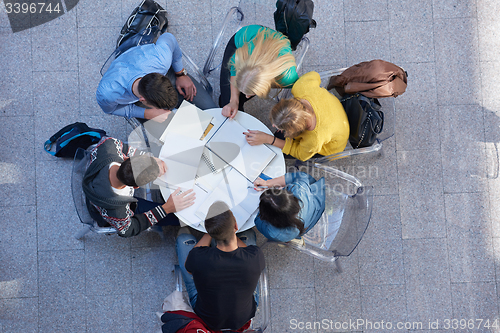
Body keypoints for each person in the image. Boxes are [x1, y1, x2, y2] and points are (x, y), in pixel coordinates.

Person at [176, 201, 265, 331]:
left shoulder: (198, 258)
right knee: (249, 235)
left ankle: (216, 236)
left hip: (207, 317)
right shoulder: (255, 256)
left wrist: (213, 231)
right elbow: (247, 251)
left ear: (208, 231)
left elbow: (188, 268)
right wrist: (228, 231)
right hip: (243, 316)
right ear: (235, 225)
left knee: (182, 237)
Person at [82, 136, 195, 238]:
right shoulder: (117, 212)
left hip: (95, 179)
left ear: (126, 159)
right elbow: (127, 230)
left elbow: (123, 147)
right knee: (175, 215)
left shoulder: (109, 146)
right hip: (109, 205)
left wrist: (149, 160)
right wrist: (167, 209)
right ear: (136, 187)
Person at [96, 32, 217, 121]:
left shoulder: (161, 60)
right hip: (134, 98)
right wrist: (146, 113)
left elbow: (169, 37)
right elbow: (110, 110)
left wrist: (180, 73)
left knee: (212, 112)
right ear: (143, 100)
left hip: (155, 69)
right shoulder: (108, 94)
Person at [244, 71, 350, 161]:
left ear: (296, 130)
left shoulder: (315, 139)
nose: (272, 125)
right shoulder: (301, 87)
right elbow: (314, 75)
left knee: (278, 148)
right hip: (335, 114)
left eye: (278, 126)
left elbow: (300, 154)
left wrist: (269, 139)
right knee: (279, 139)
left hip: (332, 146)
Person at [219, 25, 298, 118]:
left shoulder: (287, 77)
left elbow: (299, 88)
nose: (247, 96)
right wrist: (233, 101)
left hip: (264, 41)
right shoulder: (242, 55)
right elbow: (234, 69)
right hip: (243, 39)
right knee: (229, 100)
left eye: (251, 93)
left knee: (233, 99)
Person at [253, 172, 325, 242]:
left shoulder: (272, 233)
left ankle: (295, 238)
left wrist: (267, 184)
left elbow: (257, 220)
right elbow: (302, 176)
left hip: (301, 227)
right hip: (317, 207)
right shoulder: (299, 192)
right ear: (288, 197)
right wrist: (267, 183)